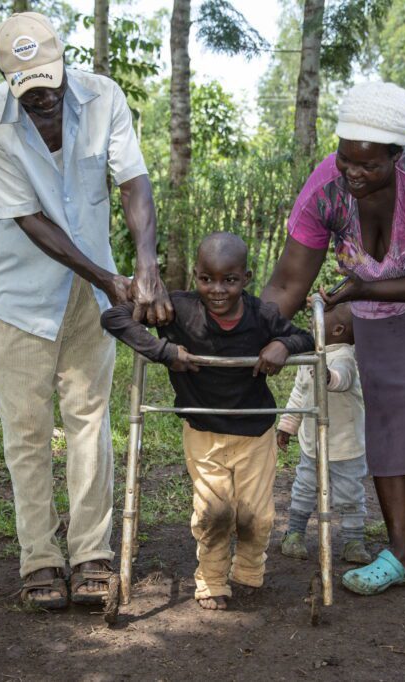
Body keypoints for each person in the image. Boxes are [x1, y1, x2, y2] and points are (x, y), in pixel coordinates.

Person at [0, 12, 173, 610]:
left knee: (89, 418)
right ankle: (39, 559)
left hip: (90, 296)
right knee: (26, 431)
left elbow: (133, 182)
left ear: (63, 62)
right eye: (28, 91)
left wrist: (146, 264)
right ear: (7, 80)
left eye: (49, 84)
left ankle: (91, 554)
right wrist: (110, 278)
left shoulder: (103, 97)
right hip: (17, 296)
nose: (43, 99)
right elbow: (30, 220)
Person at [260, 81, 405, 600]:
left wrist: (364, 288)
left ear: (396, 154)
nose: (353, 173)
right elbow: (289, 282)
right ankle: (400, 553)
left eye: (369, 165)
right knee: (386, 409)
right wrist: (246, 333)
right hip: (373, 294)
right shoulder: (326, 187)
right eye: (346, 159)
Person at [101, 232, 314, 611]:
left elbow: (304, 338)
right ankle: (212, 579)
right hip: (203, 431)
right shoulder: (177, 310)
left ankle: (248, 570)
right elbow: (113, 316)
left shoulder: (261, 315)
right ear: (195, 276)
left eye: (229, 280)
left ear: (246, 278)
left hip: (254, 432)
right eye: (206, 279)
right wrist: (163, 351)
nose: (217, 290)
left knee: (254, 515)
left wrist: (283, 344)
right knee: (214, 513)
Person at [276, 303, 372, 566]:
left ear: (338, 329)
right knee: (304, 488)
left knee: (350, 494)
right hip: (313, 444)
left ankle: (353, 541)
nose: (313, 320)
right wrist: (287, 425)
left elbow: (343, 379)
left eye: (321, 317)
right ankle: (294, 534)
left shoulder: (344, 356)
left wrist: (327, 376)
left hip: (346, 445)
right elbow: (300, 394)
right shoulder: (310, 356)